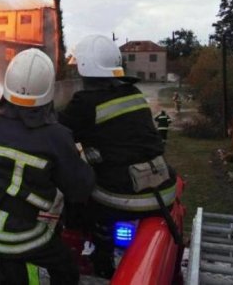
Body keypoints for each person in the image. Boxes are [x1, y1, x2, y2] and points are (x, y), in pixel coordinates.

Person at [0, 48, 96, 285]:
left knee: (11, 251)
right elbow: (79, 191)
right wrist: (83, 161)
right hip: (18, 234)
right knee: (65, 265)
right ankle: (0, 268)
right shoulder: (57, 136)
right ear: (48, 91)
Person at [59, 35, 178, 279]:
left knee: (76, 187)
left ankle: (98, 255)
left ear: (84, 69)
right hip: (161, 188)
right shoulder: (133, 92)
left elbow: (56, 134)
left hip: (123, 197)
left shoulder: (85, 103)